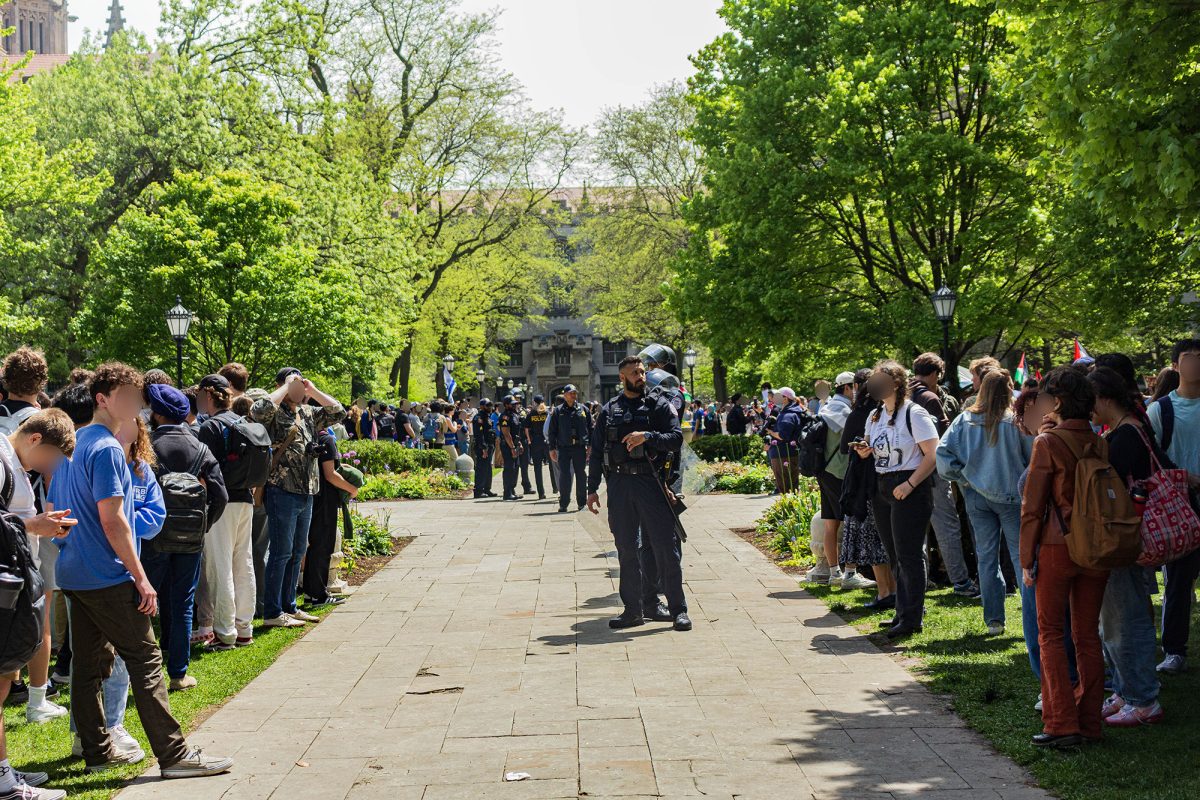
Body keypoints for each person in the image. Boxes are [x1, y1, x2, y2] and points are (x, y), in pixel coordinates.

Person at [57, 363, 233, 777]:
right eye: (129, 398)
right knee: (146, 659)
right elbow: (113, 520)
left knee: (87, 665)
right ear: (102, 399)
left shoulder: (78, 443)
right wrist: (139, 576)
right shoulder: (105, 450)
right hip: (107, 573)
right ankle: (174, 756)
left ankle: (98, 751)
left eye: (139, 398)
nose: (137, 405)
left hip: (76, 572)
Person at [1019, 366, 1110, 749]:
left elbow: (1032, 507)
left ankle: (1060, 723)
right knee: (1087, 636)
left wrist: (1026, 558)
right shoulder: (1098, 440)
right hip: (1095, 546)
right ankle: (1089, 721)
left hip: (1056, 547)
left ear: (1055, 401)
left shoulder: (1048, 442)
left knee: (1051, 635)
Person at [586, 356, 689, 631]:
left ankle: (679, 610)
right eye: (635, 373)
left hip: (651, 482)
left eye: (642, 371)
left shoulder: (658, 406)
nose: (641, 376)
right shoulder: (610, 410)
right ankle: (633, 610)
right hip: (619, 486)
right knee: (626, 550)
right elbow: (596, 451)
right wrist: (591, 489)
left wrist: (648, 436)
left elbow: (677, 439)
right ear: (622, 378)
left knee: (665, 548)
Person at [1087, 366, 1164, 727]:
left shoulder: (1125, 435)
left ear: (1103, 398)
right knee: (1115, 618)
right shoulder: (1124, 429)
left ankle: (1143, 698)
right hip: (1124, 535)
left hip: (1125, 536)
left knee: (1125, 618)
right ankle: (1125, 690)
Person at [144, 384, 228, 689]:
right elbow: (220, 496)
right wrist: (201, 527)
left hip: (154, 536)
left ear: (155, 413)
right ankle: (178, 673)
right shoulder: (200, 447)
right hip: (191, 539)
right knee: (183, 602)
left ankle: (139, 670)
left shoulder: (146, 446)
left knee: (143, 600)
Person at [936, 370, 1032, 637]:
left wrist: (964, 477)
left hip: (976, 496)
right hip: (1012, 497)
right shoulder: (1015, 422)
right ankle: (1032, 620)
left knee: (987, 559)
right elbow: (1033, 460)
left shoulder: (963, 421)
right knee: (1021, 558)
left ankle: (994, 621)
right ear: (1008, 389)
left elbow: (943, 458)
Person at [0, 348, 67, 726]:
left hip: (19, 539)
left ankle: (17, 681)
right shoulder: (36, 425)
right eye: (51, 457)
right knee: (35, 611)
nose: (51, 465)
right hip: (21, 543)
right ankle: (37, 695)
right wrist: (36, 524)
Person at [850, 361, 940, 640]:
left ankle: (912, 618)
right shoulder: (875, 415)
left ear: (897, 384)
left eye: (880, 380)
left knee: (910, 554)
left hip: (909, 486)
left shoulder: (915, 413)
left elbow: (933, 454)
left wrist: (911, 484)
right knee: (894, 555)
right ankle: (903, 611)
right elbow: (870, 447)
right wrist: (863, 450)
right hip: (882, 486)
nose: (874, 385)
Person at [251, 368, 346, 629]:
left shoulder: (308, 413)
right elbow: (257, 410)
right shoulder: (274, 413)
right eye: (292, 383)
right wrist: (286, 386)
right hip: (281, 490)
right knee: (281, 552)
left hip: (307, 490)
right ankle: (272, 610)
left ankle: (289, 606)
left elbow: (339, 411)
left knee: (298, 551)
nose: (296, 388)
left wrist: (311, 389)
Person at [194, 374, 261, 650]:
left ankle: (225, 632)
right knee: (243, 564)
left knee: (220, 567)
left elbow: (205, 473)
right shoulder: (243, 422)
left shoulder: (210, 427)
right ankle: (244, 627)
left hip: (221, 503)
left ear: (208, 396)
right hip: (246, 499)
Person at [1147, 338, 1200, 675]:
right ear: (1176, 365)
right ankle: (1174, 650)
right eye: (1188, 358)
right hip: (1179, 505)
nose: (1195, 364)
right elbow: (1150, 454)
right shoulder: (1161, 409)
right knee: (1179, 582)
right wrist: (1182, 477)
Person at [910, 353, 977, 598]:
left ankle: (921, 581)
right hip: (933, 472)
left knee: (917, 531)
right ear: (936, 373)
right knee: (946, 526)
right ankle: (960, 582)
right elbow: (944, 440)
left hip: (908, 473)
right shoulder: (930, 398)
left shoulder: (902, 396)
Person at [836, 369, 895, 608]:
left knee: (880, 541)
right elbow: (847, 447)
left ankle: (888, 592)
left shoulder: (875, 413)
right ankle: (887, 592)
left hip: (876, 484)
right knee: (878, 540)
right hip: (870, 483)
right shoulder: (870, 414)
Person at [811, 373, 865, 587]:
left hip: (824, 470)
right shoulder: (842, 411)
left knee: (830, 523)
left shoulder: (826, 407)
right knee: (850, 520)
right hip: (839, 472)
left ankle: (834, 573)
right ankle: (850, 573)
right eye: (856, 387)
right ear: (848, 388)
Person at [302, 425, 358, 605]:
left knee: (314, 545)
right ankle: (318, 594)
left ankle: (312, 592)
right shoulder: (327, 439)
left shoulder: (308, 434)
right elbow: (330, 474)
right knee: (323, 545)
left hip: (310, 495)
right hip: (325, 498)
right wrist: (352, 489)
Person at [548, 384, 589, 512]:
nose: (574, 395)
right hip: (564, 448)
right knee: (564, 475)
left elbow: (591, 428)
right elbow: (552, 431)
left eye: (575, 393)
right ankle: (564, 503)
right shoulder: (558, 411)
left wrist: (591, 445)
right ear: (565, 395)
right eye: (571, 393)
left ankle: (582, 503)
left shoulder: (583, 409)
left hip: (579, 447)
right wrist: (551, 448)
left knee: (581, 475)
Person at [766, 388, 805, 494]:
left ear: (785, 398)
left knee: (785, 488)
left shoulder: (787, 415)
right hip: (791, 452)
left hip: (783, 454)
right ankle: (793, 508)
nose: (774, 399)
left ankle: (789, 508)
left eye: (778, 396)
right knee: (793, 487)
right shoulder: (795, 411)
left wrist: (770, 432)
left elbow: (783, 435)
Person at [497, 396, 524, 501]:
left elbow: (516, 432)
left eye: (515, 403)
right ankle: (507, 492)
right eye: (512, 404)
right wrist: (512, 448)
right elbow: (506, 434)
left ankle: (512, 490)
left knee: (515, 468)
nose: (514, 405)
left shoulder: (514, 415)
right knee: (509, 468)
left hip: (515, 443)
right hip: (508, 445)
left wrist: (519, 444)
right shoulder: (505, 417)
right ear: (506, 405)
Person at [524, 395, 551, 500]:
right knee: (552, 466)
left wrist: (529, 440)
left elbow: (526, 428)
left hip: (536, 442)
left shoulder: (531, 414)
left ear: (535, 403)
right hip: (547, 441)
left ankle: (541, 492)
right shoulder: (547, 413)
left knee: (537, 468)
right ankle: (555, 487)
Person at [472, 399, 497, 498]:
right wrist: (483, 447)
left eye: (491, 406)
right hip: (483, 446)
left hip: (489, 445)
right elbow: (479, 434)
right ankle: (478, 491)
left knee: (488, 468)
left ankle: (487, 489)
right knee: (481, 469)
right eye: (488, 406)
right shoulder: (479, 418)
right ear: (482, 406)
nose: (490, 408)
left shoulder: (487, 417)